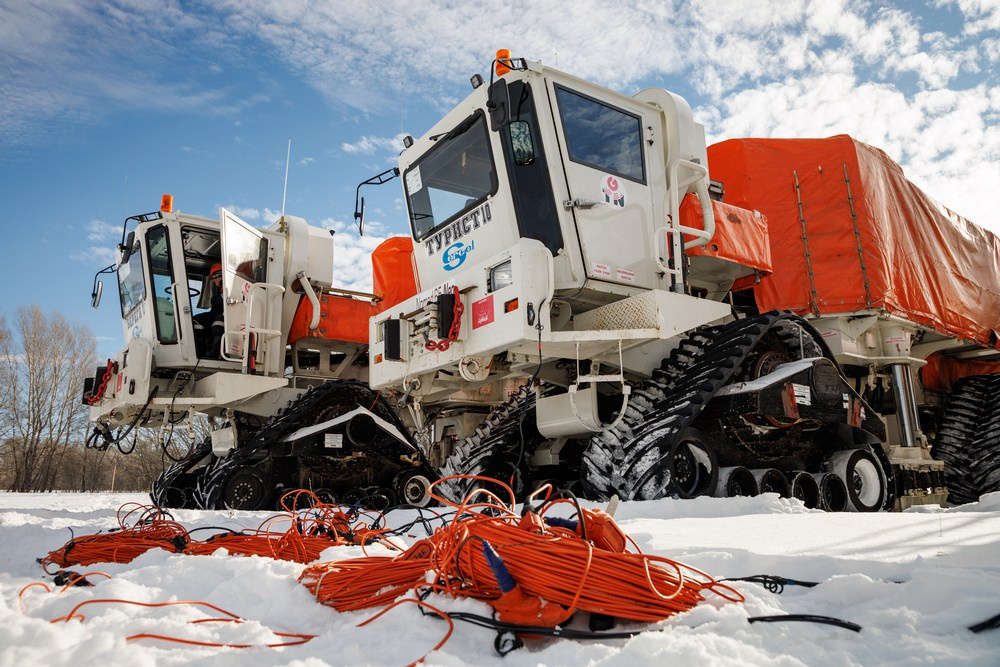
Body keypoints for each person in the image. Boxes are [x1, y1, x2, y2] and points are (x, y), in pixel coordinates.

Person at [193, 262, 225, 358]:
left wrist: (215, 300)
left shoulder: (227, 289)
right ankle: (204, 351)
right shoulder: (222, 290)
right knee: (197, 319)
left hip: (225, 318)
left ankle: (209, 353)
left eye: (214, 278)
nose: (214, 281)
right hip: (220, 315)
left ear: (218, 275)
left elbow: (219, 309)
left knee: (216, 321)